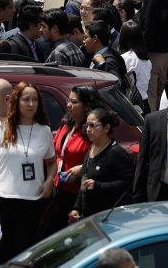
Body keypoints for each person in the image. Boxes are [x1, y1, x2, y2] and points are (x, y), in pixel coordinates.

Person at [0, 81, 56, 262]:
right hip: (3, 198)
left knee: (26, 254)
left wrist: (50, 180)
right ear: (16, 101)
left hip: (33, 201)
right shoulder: (1, 126)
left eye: (34, 100)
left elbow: (52, 162)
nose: (31, 104)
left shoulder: (44, 130)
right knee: (3, 252)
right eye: (26, 100)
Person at [49, 86, 99, 231]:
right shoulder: (66, 123)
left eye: (74, 102)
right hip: (58, 188)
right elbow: (55, 149)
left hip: (77, 195)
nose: (69, 105)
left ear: (87, 106)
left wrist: (81, 168)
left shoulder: (91, 130)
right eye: (68, 101)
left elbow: (100, 159)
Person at [69, 108, 134, 219]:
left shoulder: (115, 152)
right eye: (87, 125)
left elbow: (128, 183)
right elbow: (84, 182)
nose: (88, 130)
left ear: (106, 128)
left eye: (93, 126)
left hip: (109, 218)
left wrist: (98, 186)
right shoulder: (91, 149)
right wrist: (77, 208)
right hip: (89, 217)